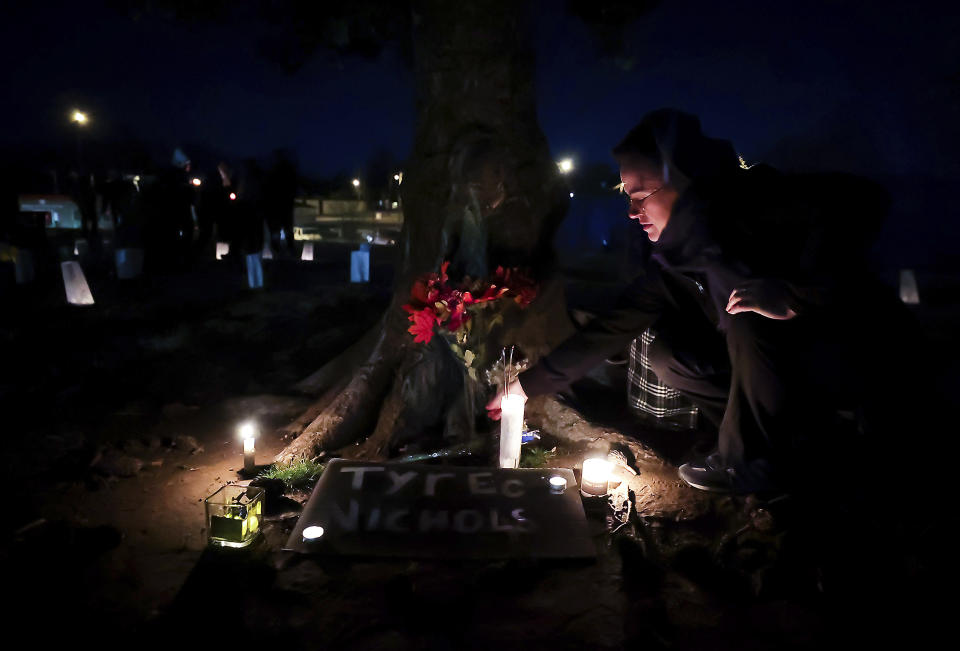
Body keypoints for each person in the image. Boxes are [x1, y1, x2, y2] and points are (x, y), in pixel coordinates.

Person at [486, 108, 920, 494]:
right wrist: (526, 387)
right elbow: (613, 326)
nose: (632, 213)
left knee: (746, 307)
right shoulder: (674, 260)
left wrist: (795, 294)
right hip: (771, 375)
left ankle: (755, 462)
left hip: (842, 354)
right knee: (667, 355)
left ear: (683, 182)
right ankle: (772, 440)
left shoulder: (749, 202)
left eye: (641, 195)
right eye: (626, 197)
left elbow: (864, 199)